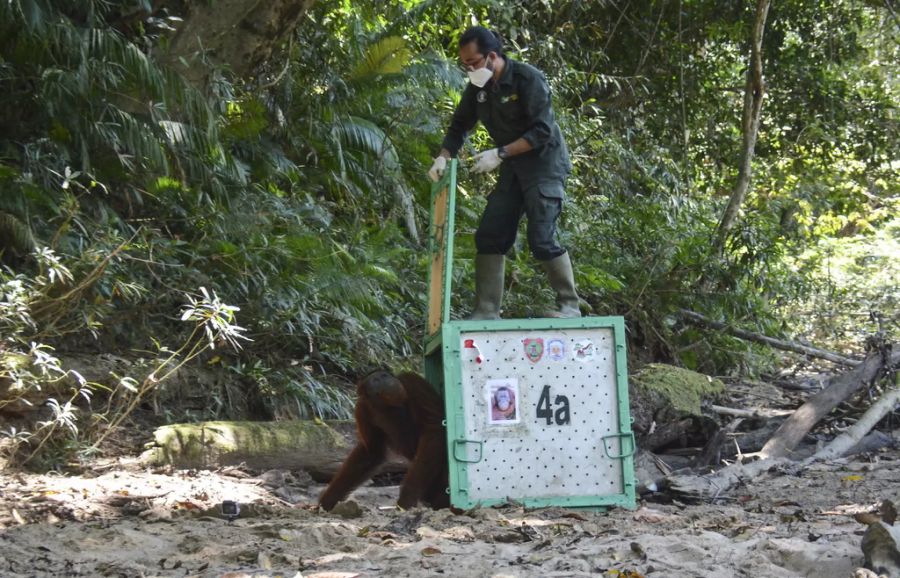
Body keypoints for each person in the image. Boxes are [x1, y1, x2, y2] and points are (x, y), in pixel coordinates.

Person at [428, 26, 581, 319]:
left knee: (541, 238)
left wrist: (499, 154)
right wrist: (443, 157)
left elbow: (543, 130)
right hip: (512, 168)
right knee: (490, 234)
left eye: (473, 63)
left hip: (544, 165)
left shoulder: (528, 79)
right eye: (465, 64)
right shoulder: (478, 88)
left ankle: (569, 305)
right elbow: (459, 125)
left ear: (492, 56)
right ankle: (486, 310)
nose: (470, 69)